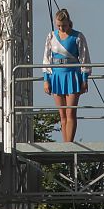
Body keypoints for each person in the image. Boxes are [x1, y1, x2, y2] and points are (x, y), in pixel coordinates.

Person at [42, 8, 91, 142]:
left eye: (63, 25)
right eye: (58, 25)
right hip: (56, 76)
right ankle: (65, 144)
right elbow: (46, 58)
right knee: (62, 114)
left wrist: (85, 79)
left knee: (71, 113)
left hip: (72, 76)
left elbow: (84, 58)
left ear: (69, 22)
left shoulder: (78, 36)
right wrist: (46, 79)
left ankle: (69, 143)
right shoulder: (51, 36)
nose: (61, 28)